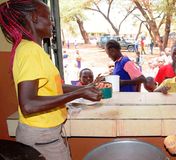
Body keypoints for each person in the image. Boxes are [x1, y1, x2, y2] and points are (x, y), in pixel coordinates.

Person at [0, 1, 102, 160]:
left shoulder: (31, 49)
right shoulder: (30, 51)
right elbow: (28, 104)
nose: (53, 23)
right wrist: (79, 93)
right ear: (34, 17)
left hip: (44, 135)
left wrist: (85, 88)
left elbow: (55, 87)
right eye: (49, 17)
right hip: (42, 138)